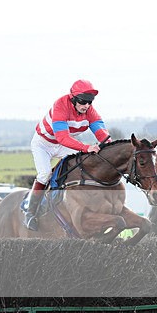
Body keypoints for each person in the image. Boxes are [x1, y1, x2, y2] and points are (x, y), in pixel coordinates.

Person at [25, 79, 111, 230]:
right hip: (43, 145)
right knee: (45, 174)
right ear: (73, 99)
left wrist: (112, 148)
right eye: (83, 102)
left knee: (84, 164)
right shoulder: (60, 105)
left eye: (90, 102)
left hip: (62, 145)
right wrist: (86, 147)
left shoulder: (89, 111)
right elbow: (62, 137)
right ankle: (30, 212)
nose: (87, 106)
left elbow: (102, 134)